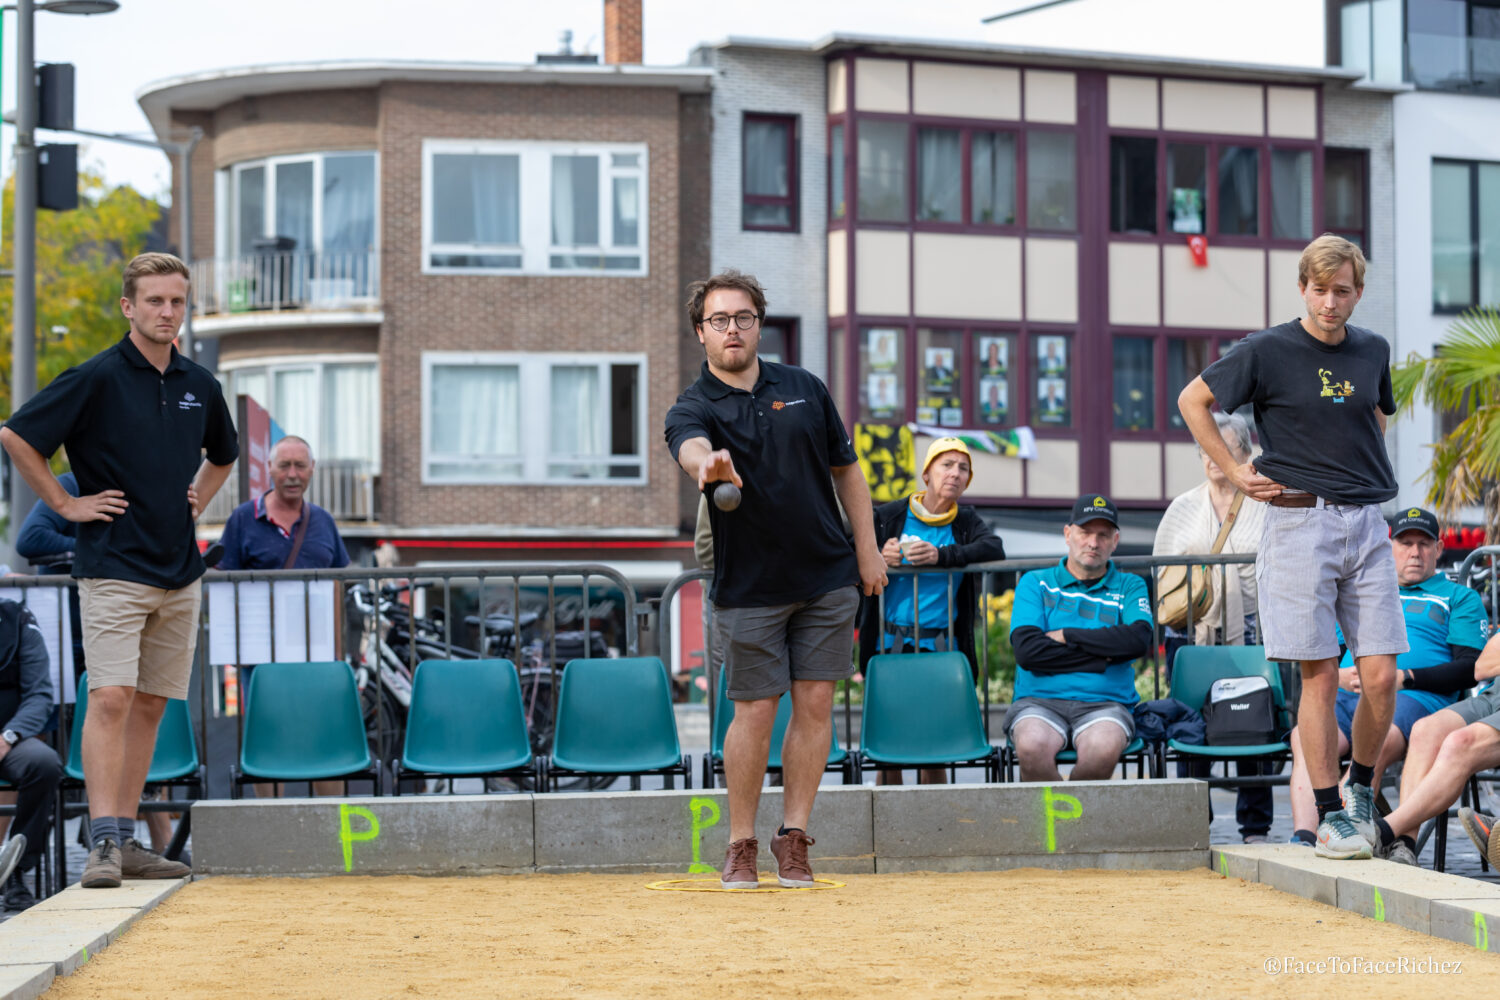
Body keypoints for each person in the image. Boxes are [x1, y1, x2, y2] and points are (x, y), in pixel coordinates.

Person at [0, 252, 239, 888]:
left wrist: (200, 498)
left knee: (152, 706)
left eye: (177, 302)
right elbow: (18, 435)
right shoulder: (97, 376)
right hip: (112, 567)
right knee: (109, 697)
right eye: (155, 301)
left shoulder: (199, 383)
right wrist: (64, 503)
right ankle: (103, 843)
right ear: (129, 307)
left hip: (180, 574)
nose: (168, 312)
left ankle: (127, 841)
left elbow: (224, 454)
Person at [1178, 233, 1405, 861]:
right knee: (1320, 674)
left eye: (1343, 291)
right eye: (1319, 289)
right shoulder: (1267, 350)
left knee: (1382, 675)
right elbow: (1192, 400)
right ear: (1302, 288)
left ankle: (1361, 789)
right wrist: (1236, 467)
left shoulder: (1373, 350)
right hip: (1299, 522)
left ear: (1358, 293)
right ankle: (1329, 815)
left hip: (1367, 521)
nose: (1330, 302)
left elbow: (1374, 415)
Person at [664, 269, 886, 890]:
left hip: (826, 576)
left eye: (743, 317)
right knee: (755, 711)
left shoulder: (806, 389)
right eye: (718, 320)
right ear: (700, 333)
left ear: (759, 324)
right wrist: (707, 463)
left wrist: (866, 553)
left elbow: (849, 474)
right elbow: (689, 449)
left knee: (816, 704)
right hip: (748, 586)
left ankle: (794, 838)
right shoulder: (692, 406)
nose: (732, 329)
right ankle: (741, 844)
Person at [1283, 507, 1486, 852]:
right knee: (1304, 737)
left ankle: (1339, 830)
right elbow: (1328, 650)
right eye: (1405, 543)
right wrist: (1340, 674)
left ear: (1438, 550)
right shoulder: (1366, 593)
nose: (1415, 552)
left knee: (1380, 740)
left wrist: (1404, 677)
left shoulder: (1459, 597)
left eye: (1424, 544)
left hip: (1417, 698)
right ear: (1388, 547)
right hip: (1349, 690)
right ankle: (1303, 838)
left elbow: (1470, 668)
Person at [14, 474, 184, 859]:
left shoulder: (152, 482)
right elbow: (31, 540)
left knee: (139, 724)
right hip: (66, 640)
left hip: (123, 633)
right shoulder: (74, 481)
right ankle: (18, 859)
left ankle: (159, 844)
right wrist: (99, 546)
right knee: (38, 740)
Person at [1152, 411, 1272, 841]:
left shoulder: (1266, 502)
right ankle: (1191, 822)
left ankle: (1255, 824)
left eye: (1222, 449)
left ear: (1244, 452)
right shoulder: (1182, 507)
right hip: (1191, 633)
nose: (1213, 459)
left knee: (1253, 718)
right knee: (1191, 720)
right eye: (1205, 450)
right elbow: (1164, 576)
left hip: (1255, 631)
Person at [858, 437, 1005, 785]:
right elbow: (847, 547)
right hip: (889, 644)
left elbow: (994, 549)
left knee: (937, 745)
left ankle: (934, 831)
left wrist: (942, 556)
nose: (955, 473)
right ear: (927, 473)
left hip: (943, 645)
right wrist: (878, 554)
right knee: (889, 750)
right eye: (946, 464)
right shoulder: (889, 515)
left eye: (963, 468)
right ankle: (889, 830)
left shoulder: (966, 521)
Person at [218, 434, 350, 797]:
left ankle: (332, 832)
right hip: (261, 660)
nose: (293, 474)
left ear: (312, 471)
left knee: (324, 738)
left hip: (317, 657)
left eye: (300, 466)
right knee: (267, 738)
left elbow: (339, 584)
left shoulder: (323, 521)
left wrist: (336, 654)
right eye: (284, 466)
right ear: (269, 469)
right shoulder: (243, 519)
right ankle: (271, 827)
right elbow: (224, 585)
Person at [1006, 494, 1153, 782]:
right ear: (1068, 534)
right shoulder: (1035, 582)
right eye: (1085, 532)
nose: (1093, 543)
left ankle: (1073, 824)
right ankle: (1056, 825)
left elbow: (1137, 641)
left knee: (1102, 750)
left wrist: (1066, 635)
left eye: (1103, 535)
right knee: (1032, 747)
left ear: (1115, 540)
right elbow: (1028, 652)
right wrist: (1103, 657)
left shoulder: (1131, 585)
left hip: (1108, 703)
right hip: (1038, 702)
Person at [1358, 629, 1500, 867]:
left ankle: (1384, 831)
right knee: (1425, 730)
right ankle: (1405, 845)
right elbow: (1482, 668)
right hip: (1494, 697)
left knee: (1460, 743)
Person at [0, 599, 63, 913]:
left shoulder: (18, 620)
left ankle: (15, 872)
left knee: (44, 763)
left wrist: (8, 736)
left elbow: (39, 693)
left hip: (10, 738)